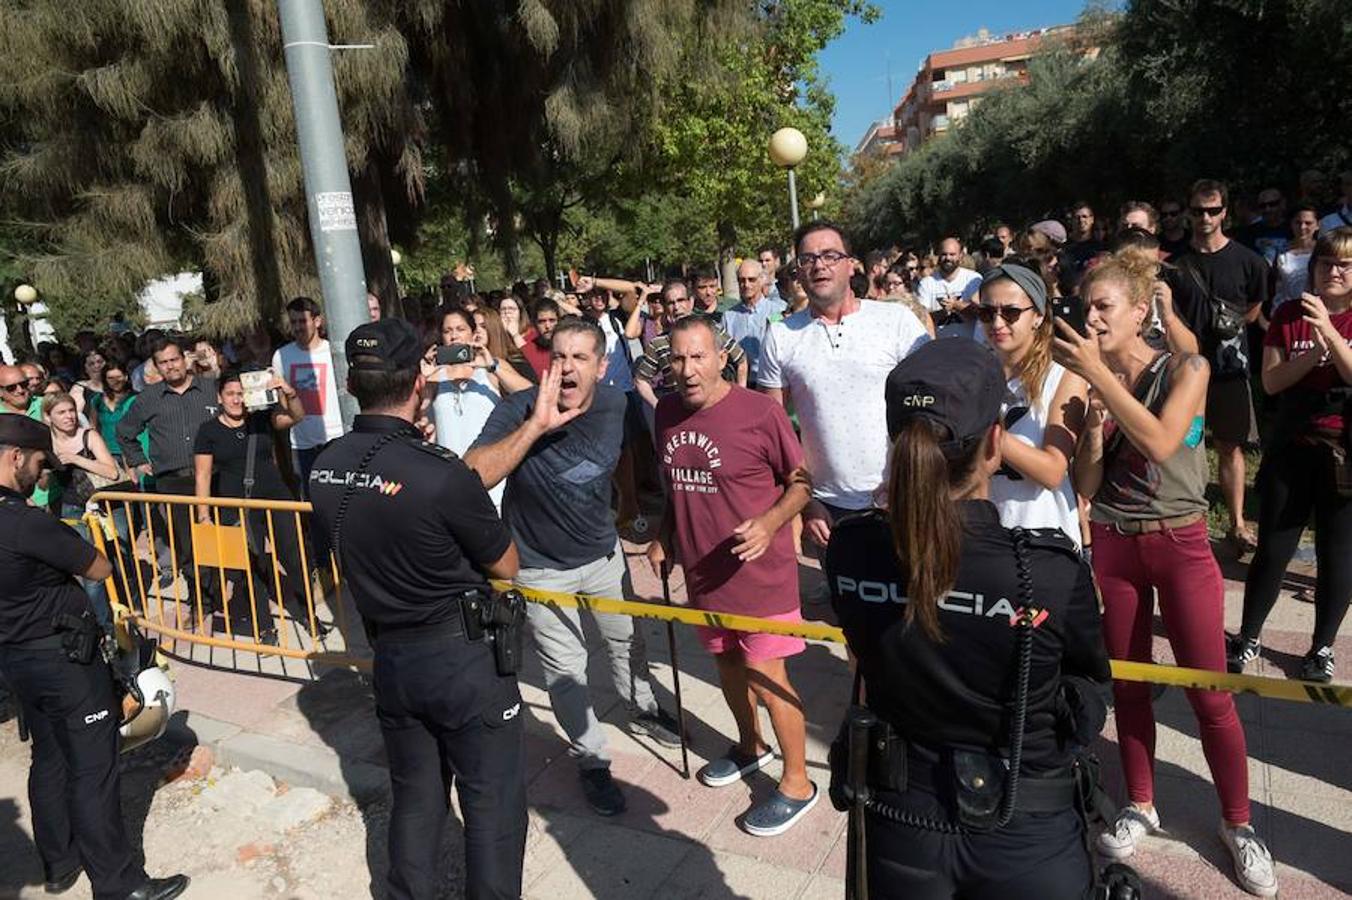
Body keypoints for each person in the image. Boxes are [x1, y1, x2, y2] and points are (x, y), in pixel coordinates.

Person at [824, 338, 1111, 899]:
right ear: (996, 445)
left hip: (901, 822)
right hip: (1027, 827)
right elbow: (1087, 697)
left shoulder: (851, 551)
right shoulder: (1047, 569)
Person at [1056, 252, 1277, 897]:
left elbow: (1160, 441)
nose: (1091, 317)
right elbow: (1088, 485)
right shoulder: (1090, 385)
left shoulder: (1189, 367)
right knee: (1126, 684)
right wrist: (1092, 432)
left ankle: (1239, 824)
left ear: (1139, 311)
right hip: (1115, 543)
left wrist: (1100, 377)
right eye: (1086, 305)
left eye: (1104, 307)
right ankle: (1141, 804)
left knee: (1210, 694)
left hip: (1180, 542)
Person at [308, 319, 527, 900]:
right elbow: (507, 564)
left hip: (392, 658)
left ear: (354, 384)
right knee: (493, 807)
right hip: (461, 660)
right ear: (419, 383)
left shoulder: (323, 466)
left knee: (417, 796)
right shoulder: (438, 473)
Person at [464, 317, 681, 817]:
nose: (566, 368)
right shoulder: (517, 408)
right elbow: (471, 475)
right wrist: (534, 426)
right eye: (558, 356)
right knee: (567, 670)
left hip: (604, 557)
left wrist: (627, 507)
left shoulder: (614, 403)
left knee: (629, 643)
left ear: (602, 367)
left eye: (580, 358)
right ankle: (592, 761)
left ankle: (641, 709)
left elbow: (624, 457)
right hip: (541, 569)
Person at [0, 414, 189, 900]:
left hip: (17, 660)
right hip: (65, 660)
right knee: (93, 769)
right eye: (40, 464)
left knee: (49, 757)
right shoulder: (23, 522)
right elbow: (99, 566)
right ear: (14, 456)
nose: (42, 476)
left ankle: (60, 864)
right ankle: (119, 884)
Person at [645, 316, 816, 836]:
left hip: (761, 576)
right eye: (677, 358)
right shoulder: (667, 413)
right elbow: (676, 488)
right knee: (728, 668)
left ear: (722, 356)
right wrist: (664, 536)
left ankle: (798, 783)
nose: (688, 369)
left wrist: (769, 523)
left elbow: (802, 482)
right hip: (703, 575)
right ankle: (750, 746)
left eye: (698, 356)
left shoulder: (760, 411)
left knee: (768, 676)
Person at [759, 221, 931, 548]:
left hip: (902, 498)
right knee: (847, 600)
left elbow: (931, 412)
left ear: (851, 265)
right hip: (827, 509)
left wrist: (908, 483)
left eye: (830, 255)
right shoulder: (780, 336)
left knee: (915, 598)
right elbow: (776, 432)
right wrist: (805, 502)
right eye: (807, 259)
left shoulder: (896, 322)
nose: (819, 265)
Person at [1230, 228, 1352, 683]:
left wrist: (1330, 336)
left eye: (1344, 265)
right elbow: (1272, 383)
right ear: (1313, 269)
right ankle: (1248, 636)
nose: (1334, 272)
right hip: (1292, 447)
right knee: (1273, 549)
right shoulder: (1287, 313)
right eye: (1325, 263)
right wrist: (1315, 350)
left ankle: (1321, 648)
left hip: (1344, 451)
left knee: (1337, 554)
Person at [1172, 179, 1270, 552]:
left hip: (1230, 369)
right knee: (1188, 443)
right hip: (1188, 369)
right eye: (1198, 211)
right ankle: (1190, 522)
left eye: (1213, 210)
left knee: (1231, 446)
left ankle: (1237, 522)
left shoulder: (1248, 260)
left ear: (1225, 212)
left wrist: (1231, 326)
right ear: (1189, 213)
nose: (1205, 217)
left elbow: (1257, 304)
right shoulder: (1178, 264)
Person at [192, 370, 313, 645]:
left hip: (276, 498)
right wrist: (204, 514)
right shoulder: (208, 431)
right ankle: (265, 627)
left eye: (241, 394)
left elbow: (296, 416)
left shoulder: (261, 420)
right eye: (230, 394)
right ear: (219, 397)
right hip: (237, 508)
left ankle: (308, 613)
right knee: (251, 568)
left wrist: (289, 392)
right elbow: (203, 475)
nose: (236, 400)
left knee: (293, 557)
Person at [976, 263, 1088, 546]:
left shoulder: (1063, 375)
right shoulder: (974, 375)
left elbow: (1052, 471)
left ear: (1037, 315)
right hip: (984, 531)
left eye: (1011, 313)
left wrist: (987, 429)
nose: (998, 323)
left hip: (1043, 535)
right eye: (987, 313)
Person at [116, 336, 222, 614]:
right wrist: (139, 461)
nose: (171, 366)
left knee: (225, 539)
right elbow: (124, 433)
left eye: (174, 359)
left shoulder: (212, 389)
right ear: (156, 367)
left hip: (216, 477)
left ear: (184, 359)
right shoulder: (148, 398)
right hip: (173, 482)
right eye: (163, 362)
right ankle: (201, 602)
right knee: (187, 545)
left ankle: (236, 598)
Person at [426, 308, 525, 511]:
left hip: (494, 480)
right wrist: (422, 376)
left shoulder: (492, 368)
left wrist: (491, 365)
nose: (454, 336)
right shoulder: (435, 376)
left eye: (460, 329)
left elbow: (531, 395)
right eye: (447, 331)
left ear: (473, 333)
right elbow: (418, 414)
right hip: (450, 482)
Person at [44, 392, 122, 625]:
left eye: (71, 411)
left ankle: (125, 609)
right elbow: (42, 481)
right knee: (88, 567)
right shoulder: (46, 443)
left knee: (118, 557)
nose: (69, 416)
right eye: (62, 412)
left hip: (105, 505)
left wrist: (75, 459)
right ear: (48, 417)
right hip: (73, 508)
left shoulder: (89, 435)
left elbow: (112, 471)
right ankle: (102, 624)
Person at [271, 297, 345, 491]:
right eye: (293, 322)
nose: (298, 327)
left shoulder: (333, 352)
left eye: (302, 321)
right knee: (311, 503)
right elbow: (282, 404)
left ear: (317, 321)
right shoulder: (281, 355)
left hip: (336, 438)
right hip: (302, 445)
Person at [723, 259, 787, 388]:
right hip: (741, 385)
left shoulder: (778, 311)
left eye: (751, 279)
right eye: (742, 280)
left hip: (773, 383)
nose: (746, 285)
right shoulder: (729, 317)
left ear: (762, 280)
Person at [915, 236, 981, 337]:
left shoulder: (973, 279)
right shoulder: (927, 283)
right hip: (939, 345)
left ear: (961, 256)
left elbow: (979, 313)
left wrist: (956, 305)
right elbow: (921, 318)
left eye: (952, 254)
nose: (948, 258)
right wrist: (942, 313)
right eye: (944, 254)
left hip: (969, 344)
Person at [1270, 205, 1320, 314]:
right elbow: (1272, 284)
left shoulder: (1323, 252)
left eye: (1308, 223)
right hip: (1283, 312)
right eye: (1298, 222)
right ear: (1291, 224)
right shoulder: (1280, 252)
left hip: (1313, 312)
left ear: (1317, 225)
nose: (1302, 227)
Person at [520, 298, 561, 379]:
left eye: (552, 320)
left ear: (559, 321)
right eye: (542, 321)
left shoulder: (569, 344)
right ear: (534, 323)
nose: (547, 326)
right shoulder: (526, 345)